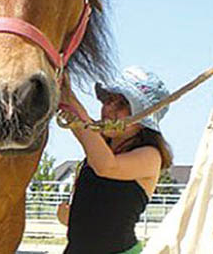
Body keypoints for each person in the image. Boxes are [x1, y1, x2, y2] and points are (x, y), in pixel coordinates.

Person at [57, 66, 174, 254]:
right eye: (108, 100)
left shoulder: (151, 156)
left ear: (143, 118)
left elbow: (107, 167)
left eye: (121, 105)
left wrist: (70, 101)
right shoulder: (99, 150)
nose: (108, 109)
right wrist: (71, 218)